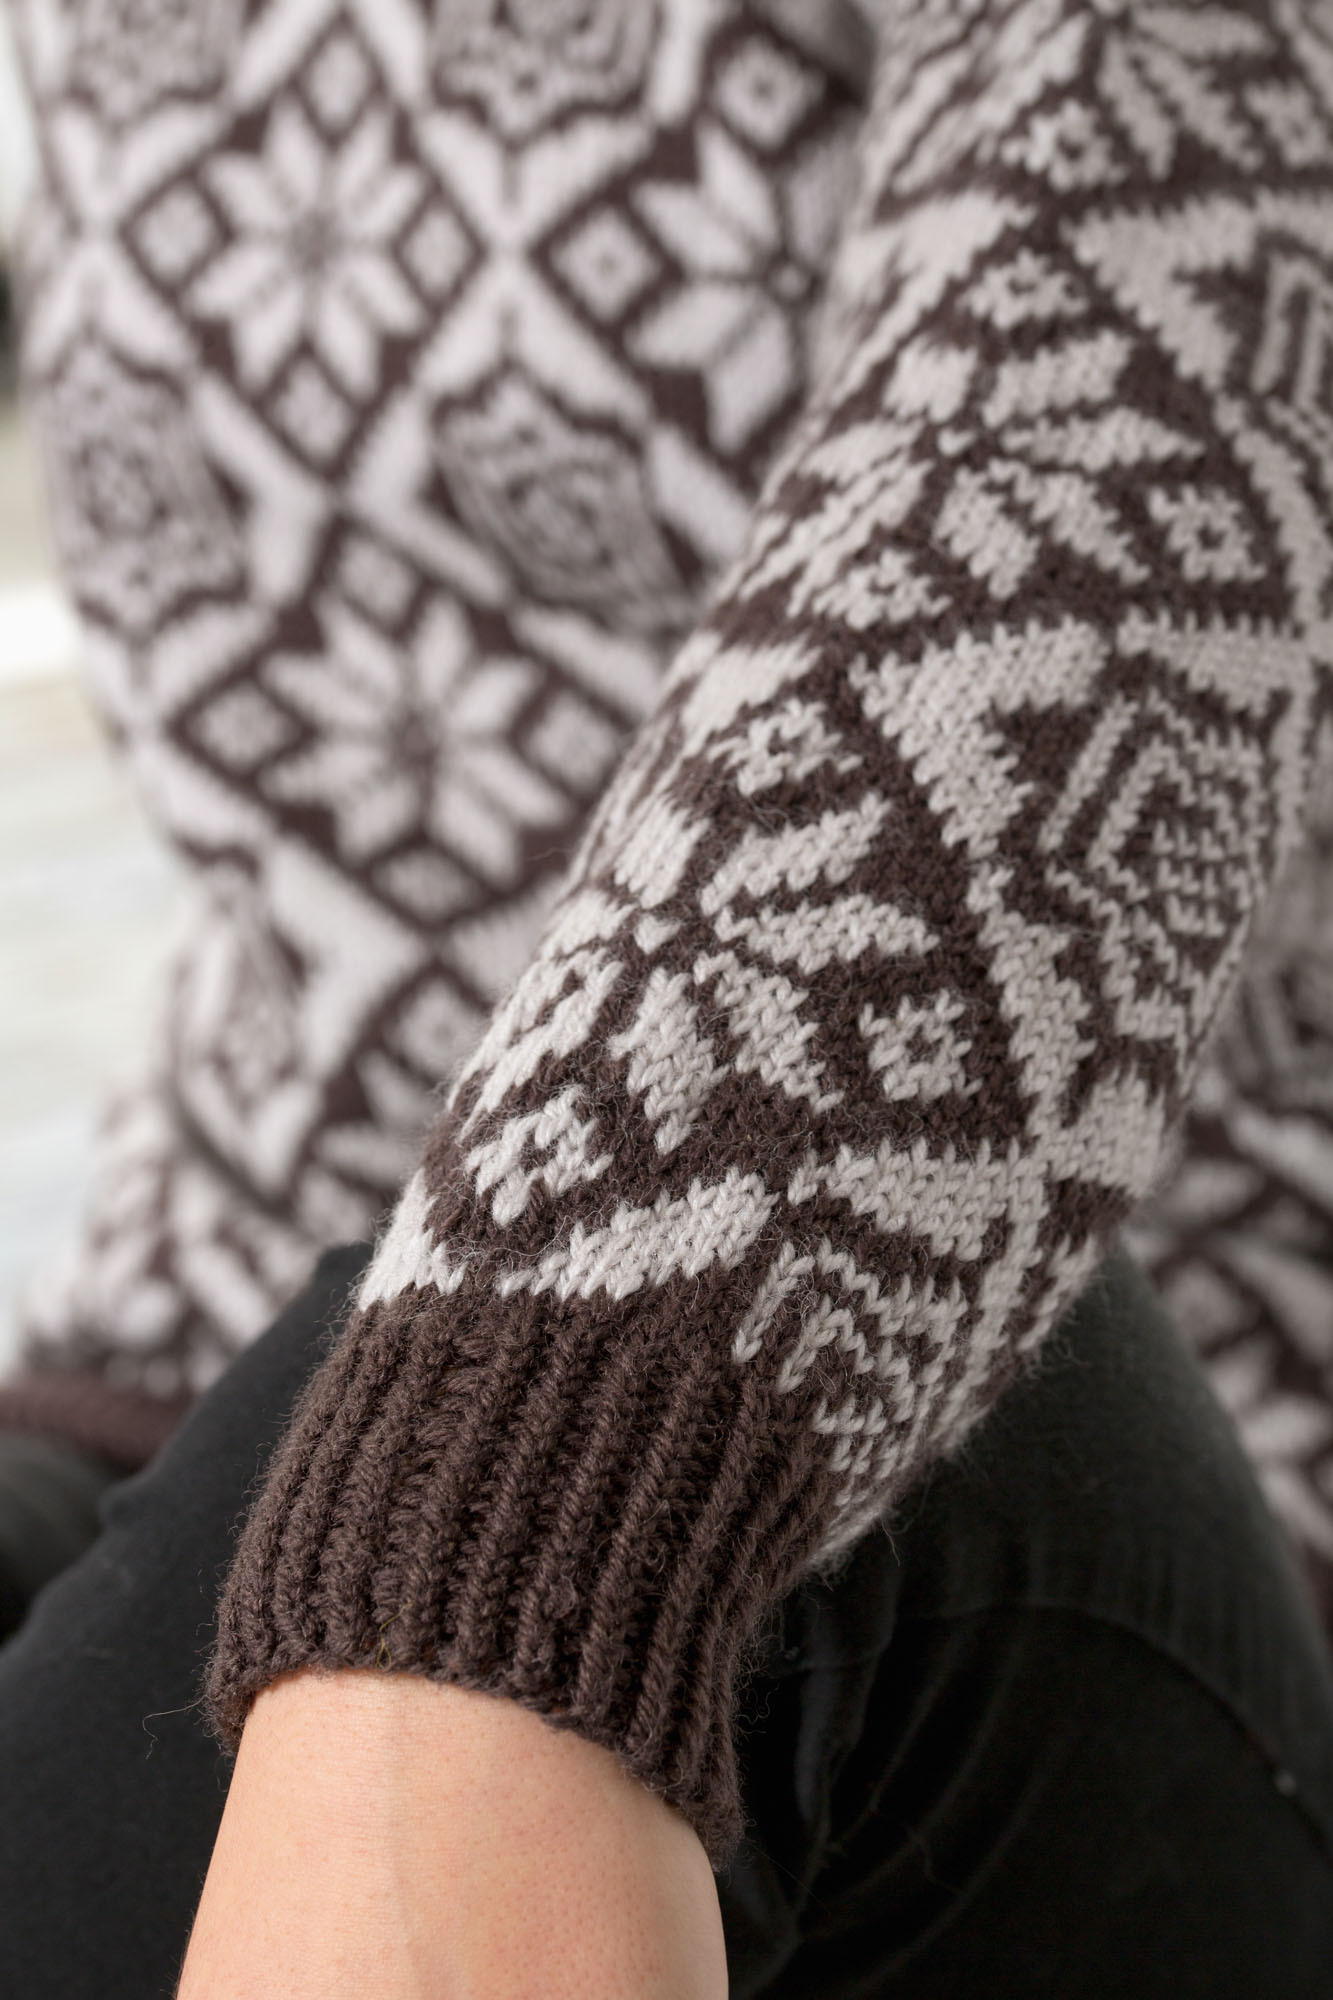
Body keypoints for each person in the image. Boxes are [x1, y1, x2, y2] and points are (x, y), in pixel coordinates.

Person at [1, 0, 1333, 1990]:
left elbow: (1105, 415)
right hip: (188, 1375)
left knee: (692, 1419)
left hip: (1092, 1518)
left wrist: (508, 1526)